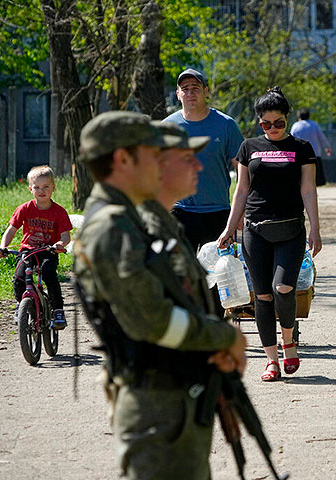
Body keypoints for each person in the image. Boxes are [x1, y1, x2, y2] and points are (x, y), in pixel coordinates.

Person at [73, 111, 246, 479]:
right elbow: (152, 319)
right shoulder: (111, 227)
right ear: (123, 159)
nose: (161, 161)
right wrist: (223, 336)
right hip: (156, 405)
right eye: (153, 153)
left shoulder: (129, 220)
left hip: (174, 395)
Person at [218, 87, 322, 382]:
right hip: (254, 232)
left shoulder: (302, 148)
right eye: (266, 124)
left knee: (283, 289)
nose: (273, 129)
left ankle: (288, 340)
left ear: (287, 119)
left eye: (279, 123)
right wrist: (229, 227)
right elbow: (241, 191)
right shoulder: (248, 147)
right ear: (258, 122)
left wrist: (315, 227)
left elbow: (308, 189)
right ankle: (272, 360)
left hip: (290, 230)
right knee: (262, 297)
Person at [164, 68, 244, 252]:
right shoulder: (167, 127)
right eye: (185, 89)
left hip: (218, 211)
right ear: (178, 94)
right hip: (179, 211)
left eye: (196, 88)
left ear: (206, 91)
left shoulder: (226, 125)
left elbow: (243, 170)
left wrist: (241, 211)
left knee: (220, 274)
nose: (190, 93)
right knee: (182, 275)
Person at [0, 166, 72, 329]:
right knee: (19, 276)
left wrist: (60, 244)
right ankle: (21, 304)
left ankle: (58, 310)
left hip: (48, 251)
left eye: (46, 187)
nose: (41, 191)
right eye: (36, 187)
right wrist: (3, 247)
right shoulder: (24, 209)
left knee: (49, 274)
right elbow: (11, 230)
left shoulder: (59, 212)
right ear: (30, 189)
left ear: (53, 188)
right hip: (27, 251)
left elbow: (65, 235)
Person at [290, 108, 331, 186]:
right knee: (316, 178)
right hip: (314, 154)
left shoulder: (296, 126)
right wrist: (327, 147)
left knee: (301, 177)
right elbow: (321, 137)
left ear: (299, 117)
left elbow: (291, 139)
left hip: (299, 155)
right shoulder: (314, 125)